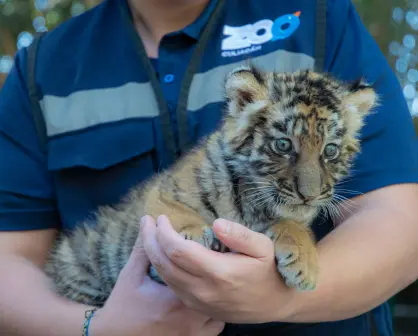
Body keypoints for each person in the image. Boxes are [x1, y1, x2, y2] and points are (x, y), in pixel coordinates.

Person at [0, 0, 418, 335]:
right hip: (96, 282)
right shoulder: (42, 67)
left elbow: (403, 221)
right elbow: (8, 263)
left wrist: (285, 299)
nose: (310, 186)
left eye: (326, 155)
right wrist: (97, 329)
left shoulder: (319, 16)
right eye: (284, 148)